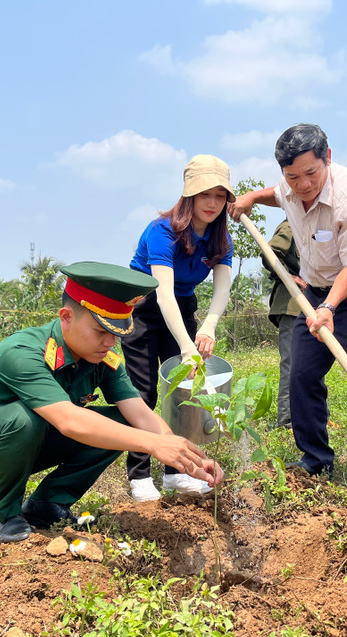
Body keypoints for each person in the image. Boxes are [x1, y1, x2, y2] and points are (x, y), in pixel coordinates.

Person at [0, 262, 224, 543]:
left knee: (125, 424)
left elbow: (140, 414)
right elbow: (69, 421)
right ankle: (4, 513)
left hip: (33, 442)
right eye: (101, 331)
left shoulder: (100, 359)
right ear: (66, 317)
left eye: (116, 333)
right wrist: (152, 444)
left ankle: (47, 504)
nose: (110, 343)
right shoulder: (23, 352)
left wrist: (190, 458)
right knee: (23, 418)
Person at [228, 123, 347, 509]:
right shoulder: (290, 186)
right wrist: (248, 198)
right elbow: (276, 195)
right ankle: (315, 460)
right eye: (292, 176)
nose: (303, 184)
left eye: (311, 173)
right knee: (301, 373)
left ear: (327, 158)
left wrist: (329, 307)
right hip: (313, 293)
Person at [120, 155, 234, 502]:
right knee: (144, 392)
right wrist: (187, 347)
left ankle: (177, 473)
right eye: (205, 195)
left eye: (220, 195)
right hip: (142, 308)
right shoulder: (163, 231)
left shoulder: (220, 238)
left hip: (181, 308)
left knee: (184, 391)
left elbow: (222, 288)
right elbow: (162, 293)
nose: (213, 204)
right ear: (189, 196)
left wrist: (209, 327)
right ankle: (139, 476)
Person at [262, 220, 304, 429]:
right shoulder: (291, 225)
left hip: (308, 306)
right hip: (291, 305)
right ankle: (286, 421)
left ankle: (314, 416)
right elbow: (270, 253)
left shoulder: (312, 224)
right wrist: (289, 277)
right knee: (291, 364)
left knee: (311, 365)